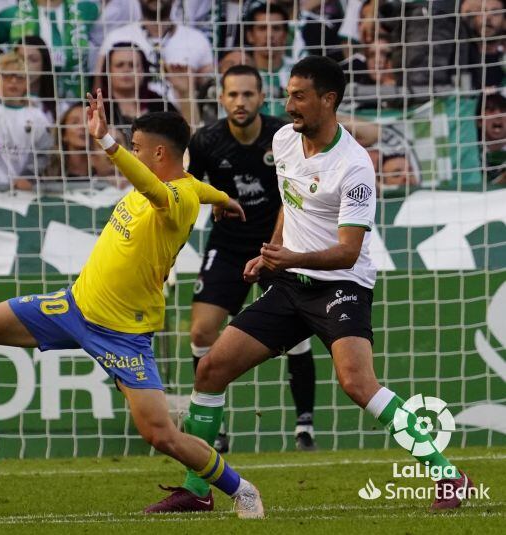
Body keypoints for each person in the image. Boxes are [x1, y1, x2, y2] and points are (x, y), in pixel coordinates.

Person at [0, 90, 267, 520]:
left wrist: (107, 141)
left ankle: (242, 489)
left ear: (158, 152)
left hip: (123, 333)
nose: (132, 154)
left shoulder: (176, 199)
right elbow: (198, 187)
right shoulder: (194, 189)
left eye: (137, 147)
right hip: (73, 306)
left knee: (160, 434)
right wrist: (225, 199)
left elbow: (157, 187)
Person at [149, 55, 474, 512]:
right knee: (210, 370)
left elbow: (349, 249)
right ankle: (197, 490)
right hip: (288, 283)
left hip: (340, 285)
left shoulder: (355, 165)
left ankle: (448, 476)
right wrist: (271, 252)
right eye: (287, 94)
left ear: (329, 99)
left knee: (357, 383)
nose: (289, 105)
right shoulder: (284, 140)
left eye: (299, 96)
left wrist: (290, 257)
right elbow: (289, 201)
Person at [184, 65, 316, 461]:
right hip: (227, 249)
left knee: (298, 332)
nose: (240, 102)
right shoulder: (206, 140)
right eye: (232, 95)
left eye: (248, 94)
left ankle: (304, 427)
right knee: (202, 330)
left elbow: (296, 194)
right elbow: (189, 190)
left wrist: (276, 247)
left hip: (279, 247)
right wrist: (218, 200)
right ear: (222, 99)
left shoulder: (285, 136)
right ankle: (216, 430)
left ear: (261, 97)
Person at [0, 51, 53, 191]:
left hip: (19, 191)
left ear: (27, 83)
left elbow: (44, 152)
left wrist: (28, 176)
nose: (14, 81)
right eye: (7, 76)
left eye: (20, 77)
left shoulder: (37, 116)